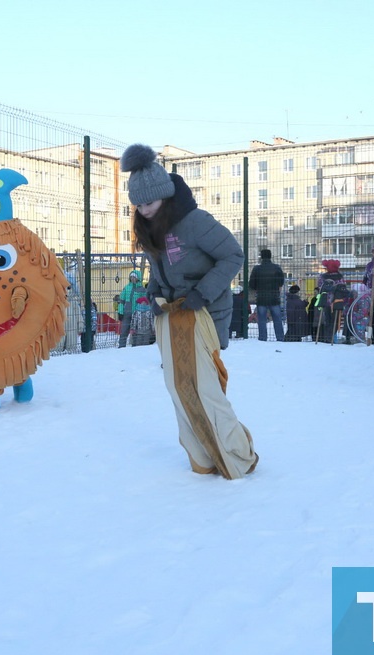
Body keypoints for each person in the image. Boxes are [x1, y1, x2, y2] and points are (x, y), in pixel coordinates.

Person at [121, 143, 257, 479]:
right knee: (178, 388)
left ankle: (236, 455)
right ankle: (203, 456)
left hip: (203, 314)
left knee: (204, 390)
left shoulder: (195, 222)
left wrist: (202, 293)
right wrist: (153, 295)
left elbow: (233, 256)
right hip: (171, 316)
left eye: (148, 203)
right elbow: (159, 270)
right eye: (137, 204)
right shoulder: (150, 225)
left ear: (164, 197)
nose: (143, 210)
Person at [248, 248, 285, 342]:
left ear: (261, 257)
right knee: (277, 318)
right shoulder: (277, 267)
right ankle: (280, 338)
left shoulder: (256, 269)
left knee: (261, 319)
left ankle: (262, 338)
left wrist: (258, 288)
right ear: (270, 256)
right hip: (274, 297)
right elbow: (281, 282)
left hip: (261, 297)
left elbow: (251, 284)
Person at [116, 270, 145, 348]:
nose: (132, 279)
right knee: (124, 330)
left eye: (134, 277)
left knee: (136, 331)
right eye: (131, 277)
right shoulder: (127, 288)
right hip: (126, 313)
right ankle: (121, 346)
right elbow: (121, 301)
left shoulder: (142, 289)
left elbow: (145, 301)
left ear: (138, 278)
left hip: (137, 314)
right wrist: (120, 311)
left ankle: (135, 347)